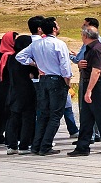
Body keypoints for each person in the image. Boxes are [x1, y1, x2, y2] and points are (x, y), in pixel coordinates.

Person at [15, 17, 72, 156]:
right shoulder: (59, 44)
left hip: (43, 79)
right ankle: (46, 145)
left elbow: (20, 56)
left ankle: (36, 145)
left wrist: (34, 64)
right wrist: (67, 82)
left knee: (43, 114)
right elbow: (65, 65)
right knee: (55, 114)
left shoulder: (36, 44)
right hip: (57, 79)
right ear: (54, 29)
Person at [67, 26, 101, 156]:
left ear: (85, 36)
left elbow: (97, 71)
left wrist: (89, 90)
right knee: (86, 116)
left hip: (97, 85)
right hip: (91, 83)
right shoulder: (92, 48)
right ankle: (83, 145)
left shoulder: (96, 49)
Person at [5, 34, 37, 155]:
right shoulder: (26, 59)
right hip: (27, 90)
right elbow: (34, 73)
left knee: (14, 118)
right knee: (28, 118)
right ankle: (24, 145)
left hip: (14, 90)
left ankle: (12, 145)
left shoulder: (11, 58)